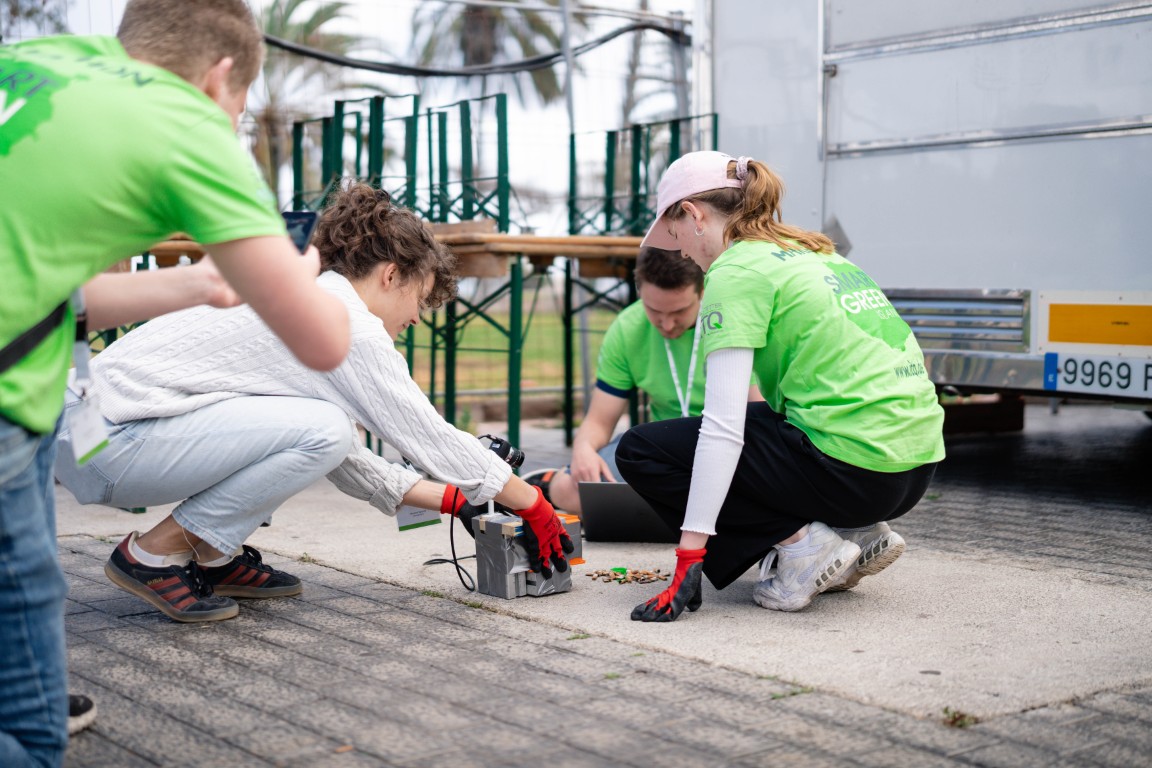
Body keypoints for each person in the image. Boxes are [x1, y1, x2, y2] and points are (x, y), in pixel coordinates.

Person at [0, 1, 353, 764]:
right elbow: (323, 341)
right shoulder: (182, 119)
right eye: (239, 110)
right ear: (220, 77)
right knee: (28, 717)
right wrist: (297, 272)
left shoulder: (35, 64)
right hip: (10, 402)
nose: (232, 125)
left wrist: (201, 285)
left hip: (26, 382)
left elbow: (47, 292)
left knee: (27, 592)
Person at [54, 180, 573, 626]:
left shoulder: (305, 293)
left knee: (322, 430)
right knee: (324, 427)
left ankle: (213, 554)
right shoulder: (346, 321)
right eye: (419, 299)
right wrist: (532, 502)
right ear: (391, 274)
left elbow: (338, 457)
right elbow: (426, 436)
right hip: (111, 441)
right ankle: (152, 556)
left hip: (85, 434)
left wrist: (456, 499)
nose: (417, 317)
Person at [616, 151, 945, 622]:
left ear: (693, 214)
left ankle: (805, 548)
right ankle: (852, 533)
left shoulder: (735, 270)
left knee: (642, 450)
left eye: (675, 235)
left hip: (853, 472)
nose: (682, 253)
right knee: (761, 424)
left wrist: (690, 555)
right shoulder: (809, 250)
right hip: (913, 467)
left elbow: (723, 429)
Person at [527, 247, 760, 517]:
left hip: (728, 445)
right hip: (661, 450)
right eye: (654, 310)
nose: (667, 324)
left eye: (679, 311)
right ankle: (551, 481)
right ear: (639, 291)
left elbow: (760, 418)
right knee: (568, 489)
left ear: (703, 291)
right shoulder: (628, 327)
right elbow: (599, 421)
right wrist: (583, 449)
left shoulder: (730, 320)